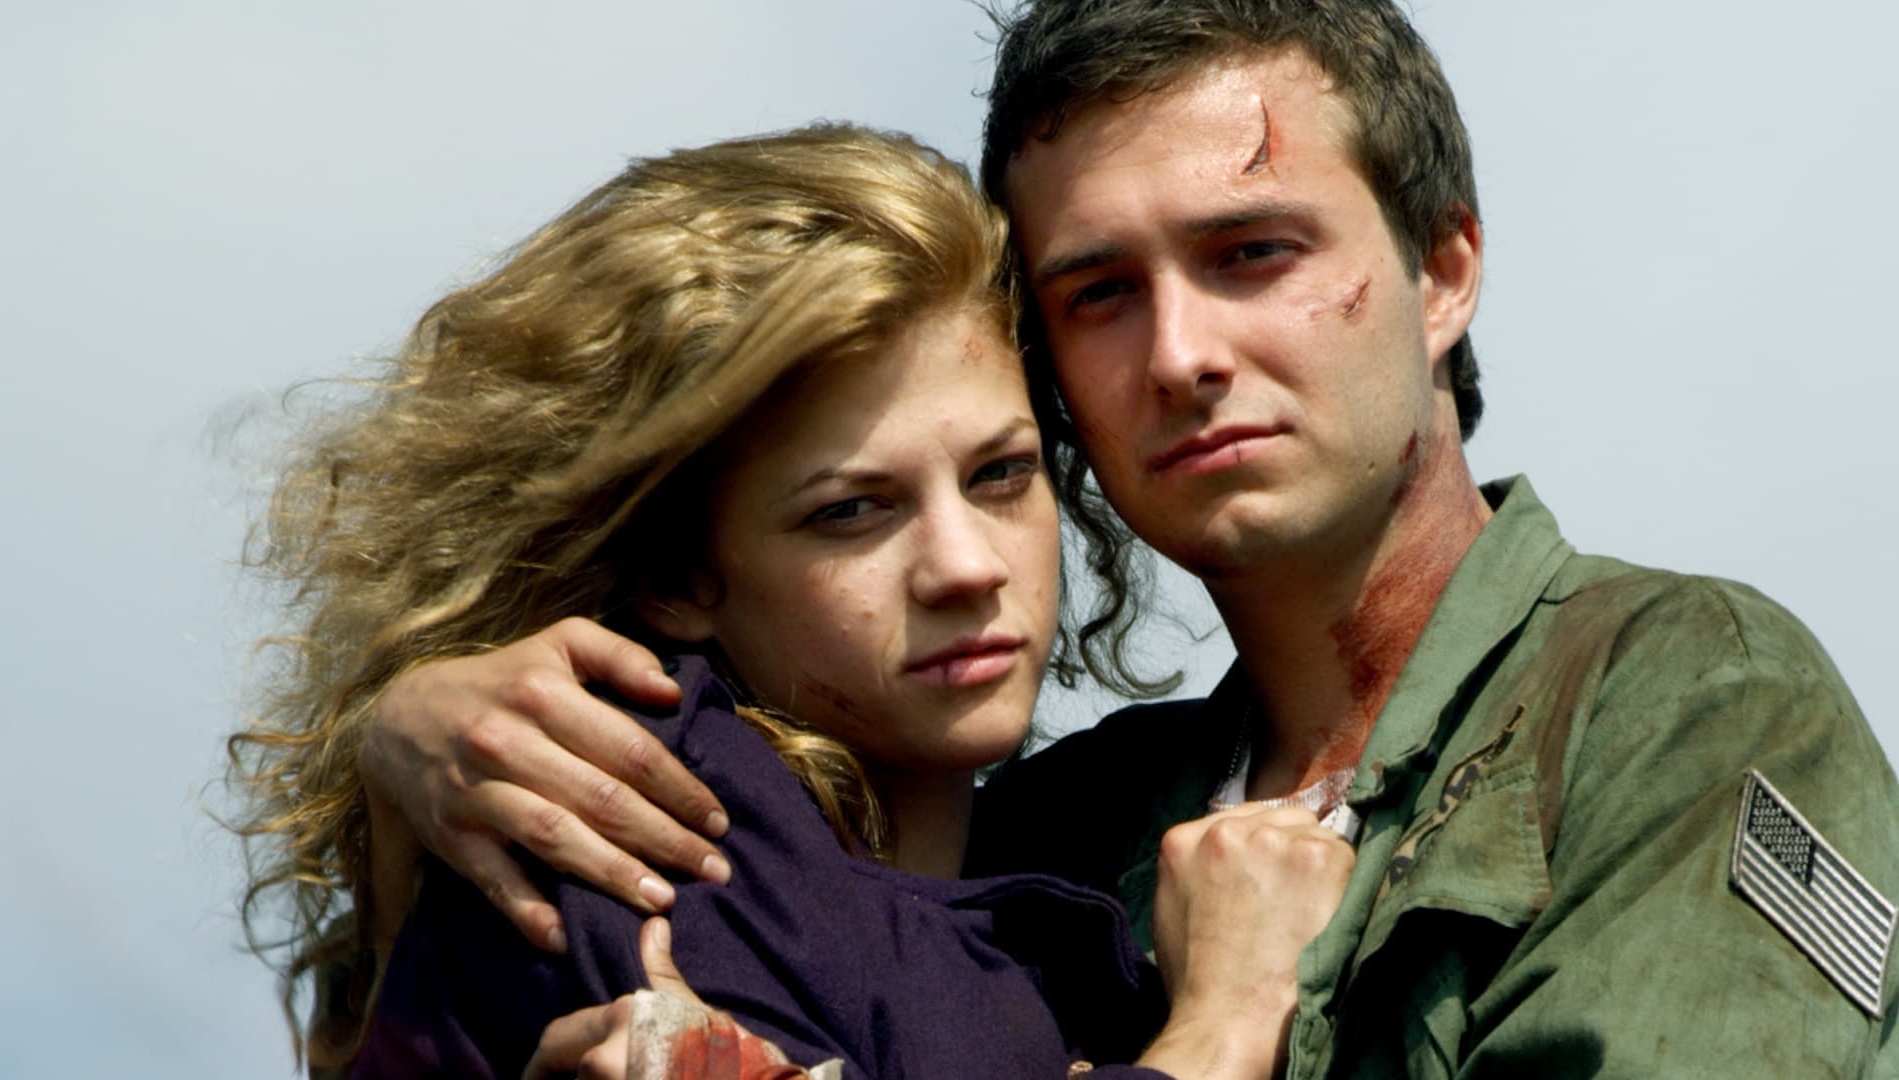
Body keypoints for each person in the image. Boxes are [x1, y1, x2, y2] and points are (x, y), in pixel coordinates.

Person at [358, 1, 1899, 1074]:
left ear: (1442, 273)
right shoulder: (1045, 830)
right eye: (1100, 292)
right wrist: (415, 731)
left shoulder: (1673, 697)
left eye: (1252, 252)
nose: (1179, 355)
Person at [226, 122, 1351, 1079]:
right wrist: (1223, 1028)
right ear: (677, 577)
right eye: (852, 512)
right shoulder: (638, 819)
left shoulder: (1068, 843)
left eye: (1002, 475)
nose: (965, 565)